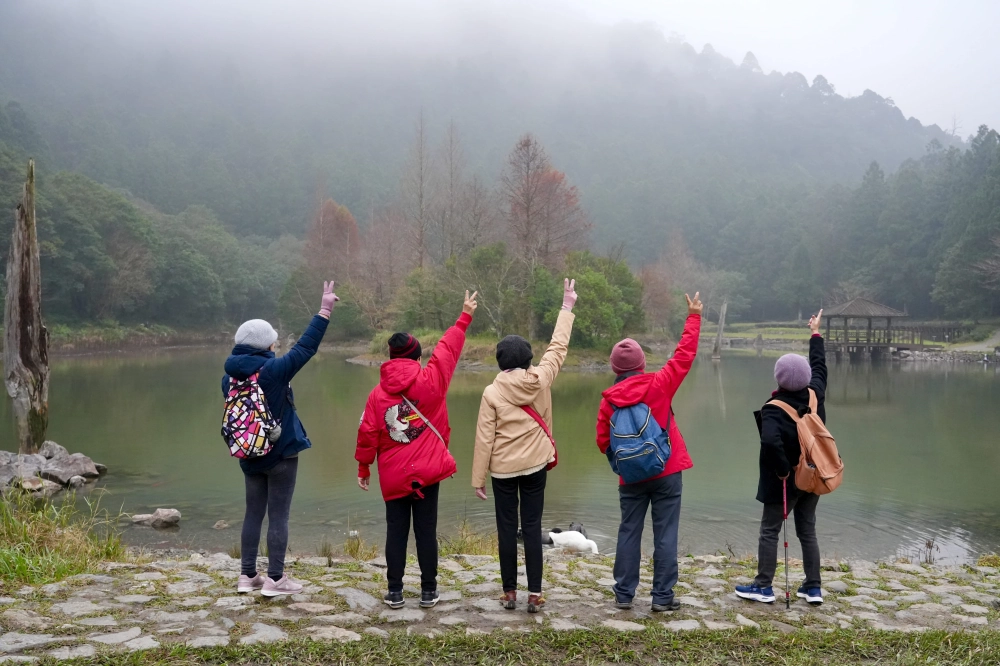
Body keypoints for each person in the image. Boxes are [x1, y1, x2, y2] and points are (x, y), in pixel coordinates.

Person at [356, 290, 478, 610]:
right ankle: (428, 591)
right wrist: (464, 316)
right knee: (426, 532)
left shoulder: (376, 396)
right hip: (427, 474)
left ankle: (394, 592)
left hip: (394, 477)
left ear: (392, 359)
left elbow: (368, 433)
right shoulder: (432, 382)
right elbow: (447, 350)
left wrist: (363, 468)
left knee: (396, 531)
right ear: (417, 358)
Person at [224, 281, 339, 597]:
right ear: (265, 346)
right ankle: (275, 579)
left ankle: (247, 576)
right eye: (273, 343)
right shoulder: (273, 371)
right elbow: (305, 348)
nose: (276, 347)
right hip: (281, 455)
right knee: (279, 516)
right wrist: (324, 310)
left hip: (248, 453)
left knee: (253, 513)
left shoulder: (230, 377)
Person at [472, 278, 578, 614]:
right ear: (530, 358)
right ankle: (535, 594)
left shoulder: (491, 392)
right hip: (535, 466)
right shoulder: (542, 377)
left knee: (506, 529)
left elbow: (484, 438)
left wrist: (478, 478)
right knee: (532, 527)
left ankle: (508, 594)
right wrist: (567, 306)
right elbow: (558, 347)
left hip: (502, 470)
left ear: (501, 362)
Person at [596, 292, 702, 612]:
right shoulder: (659, 383)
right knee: (665, 532)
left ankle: (625, 594)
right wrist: (694, 316)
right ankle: (662, 597)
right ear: (642, 363)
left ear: (615, 367)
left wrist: (624, 463)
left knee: (629, 531)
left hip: (630, 477)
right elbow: (684, 356)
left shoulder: (608, 400)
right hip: (667, 470)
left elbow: (603, 441)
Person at [736, 310, 827, 606]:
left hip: (786, 481)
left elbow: (769, 440)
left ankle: (763, 586)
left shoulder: (775, 407)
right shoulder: (815, 394)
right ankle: (813, 587)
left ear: (778, 378)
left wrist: (783, 470)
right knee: (807, 529)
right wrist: (815, 334)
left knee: (770, 531)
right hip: (813, 474)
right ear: (807, 379)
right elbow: (820, 367)